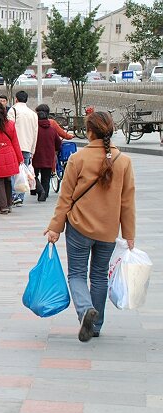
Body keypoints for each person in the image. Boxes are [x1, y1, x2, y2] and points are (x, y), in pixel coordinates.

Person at [44, 112, 135, 342]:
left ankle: (86, 311)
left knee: (76, 274)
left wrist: (56, 227)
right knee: (99, 276)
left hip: (79, 227)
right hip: (108, 230)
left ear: (90, 132)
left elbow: (65, 197)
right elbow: (127, 202)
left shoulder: (78, 158)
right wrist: (129, 235)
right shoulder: (123, 161)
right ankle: (96, 325)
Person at [7, 90, 38, 206]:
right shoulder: (33, 114)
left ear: (16, 99)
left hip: (14, 146)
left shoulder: (13, 110)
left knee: (13, 172)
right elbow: (36, 133)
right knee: (23, 172)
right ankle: (20, 196)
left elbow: (9, 129)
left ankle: (14, 195)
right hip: (27, 147)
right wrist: (33, 149)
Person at [33, 105, 63, 202]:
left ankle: (37, 190)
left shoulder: (35, 129)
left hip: (36, 156)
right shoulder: (52, 130)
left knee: (33, 175)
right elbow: (58, 143)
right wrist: (56, 149)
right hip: (48, 156)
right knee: (46, 177)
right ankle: (44, 194)